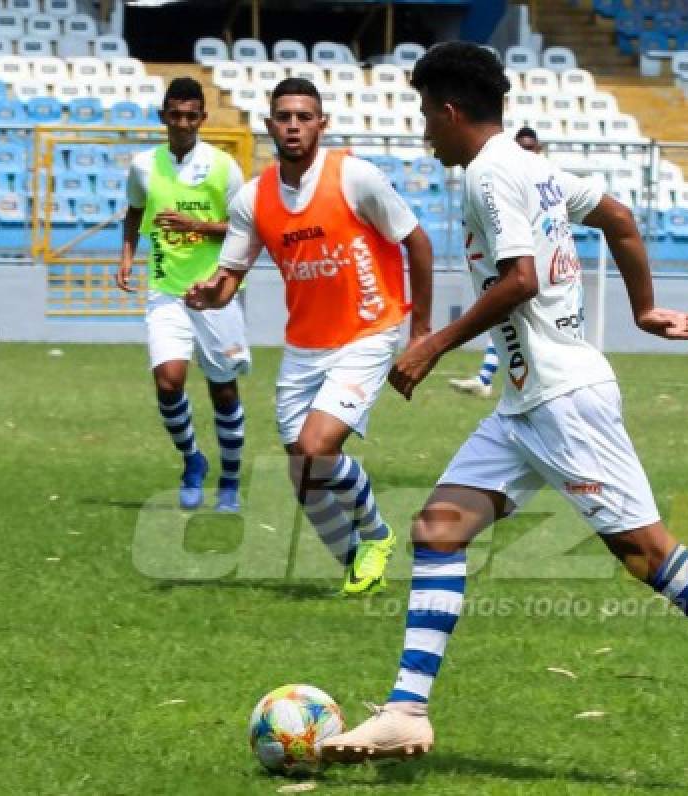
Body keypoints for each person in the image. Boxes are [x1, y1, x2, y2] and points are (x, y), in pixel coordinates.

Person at [321, 42, 688, 792]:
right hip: (527, 402)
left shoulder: (492, 172)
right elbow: (617, 218)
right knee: (438, 527)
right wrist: (644, 309)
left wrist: (432, 344)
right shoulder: (533, 167)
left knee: (648, 556)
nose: (425, 129)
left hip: (562, 400)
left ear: (452, 111)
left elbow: (521, 279)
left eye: (427, 113)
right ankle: (407, 708)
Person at [185, 77, 434, 596]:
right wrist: (212, 293)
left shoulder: (356, 177)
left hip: (369, 329)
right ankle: (353, 562)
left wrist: (422, 333)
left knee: (318, 448)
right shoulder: (254, 199)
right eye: (284, 117)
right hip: (305, 345)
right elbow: (230, 275)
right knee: (302, 474)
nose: (293, 126)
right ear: (270, 124)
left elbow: (416, 240)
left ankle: (377, 536)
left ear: (321, 123)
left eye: (304, 116)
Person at [116, 77, 251, 512]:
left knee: (223, 392)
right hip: (167, 290)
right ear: (163, 117)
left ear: (202, 119)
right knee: (168, 382)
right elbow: (136, 210)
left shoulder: (224, 168)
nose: (183, 123)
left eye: (192, 116)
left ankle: (229, 480)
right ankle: (193, 460)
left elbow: (246, 228)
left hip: (216, 292)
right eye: (176, 115)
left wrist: (197, 227)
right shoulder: (143, 166)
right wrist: (126, 256)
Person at [447, 126, 540, 399]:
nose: (526, 152)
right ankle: (488, 379)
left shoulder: (546, 181)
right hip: (515, 266)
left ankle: (490, 380)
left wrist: (436, 345)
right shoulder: (502, 181)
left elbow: (618, 217)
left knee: (512, 322)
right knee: (505, 320)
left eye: (530, 147)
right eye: (521, 147)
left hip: (534, 274)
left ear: (539, 149)